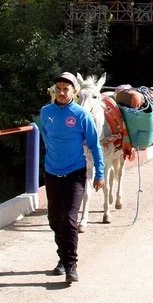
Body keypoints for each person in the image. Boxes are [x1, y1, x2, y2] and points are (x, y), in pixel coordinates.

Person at [38, 72, 105, 284]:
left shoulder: (80, 115)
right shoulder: (46, 112)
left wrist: (99, 173)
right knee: (54, 219)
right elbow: (47, 138)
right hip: (52, 174)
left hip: (75, 174)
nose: (61, 92)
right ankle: (62, 258)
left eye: (65, 89)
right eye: (57, 88)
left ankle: (71, 265)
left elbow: (94, 145)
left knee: (68, 219)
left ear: (74, 92)